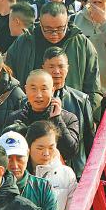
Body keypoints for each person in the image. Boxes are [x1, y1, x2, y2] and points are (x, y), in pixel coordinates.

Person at [6, 1, 102, 115]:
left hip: (72, 112)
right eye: (48, 29)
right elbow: (10, 80)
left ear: (67, 23)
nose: (54, 34)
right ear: (40, 23)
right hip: (29, 113)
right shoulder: (24, 42)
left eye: (60, 29)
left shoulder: (81, 44)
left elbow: (93, 87)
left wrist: (92, 116)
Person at [6, 70, 80, 168]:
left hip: (56, 173)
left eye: (44, 89)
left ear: (52, 90)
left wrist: (57, 119)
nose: (38, 95)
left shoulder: (68, 118)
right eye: (33, 89)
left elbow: (70, 152)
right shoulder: (15, 118)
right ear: (26, 90)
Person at [41, 47, 94, 178]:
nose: (56, 71)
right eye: (51, 67)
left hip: (75, 169)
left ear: (68, 68)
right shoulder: (33, 100)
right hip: (43, 169)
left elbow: (89, 138)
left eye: (61, 66)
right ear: (43, 68)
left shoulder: (81, 100)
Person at [0, 131, 59, 210]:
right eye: (8, 159)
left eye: (19, 158)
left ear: (27, 154)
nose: (15, 165)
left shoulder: (43, 187)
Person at [25, 121, 77, 210]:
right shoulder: (20, 174)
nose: (46, 153)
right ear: (28, 147)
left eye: (51, 148)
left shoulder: (67, 174)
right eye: (40, 148)